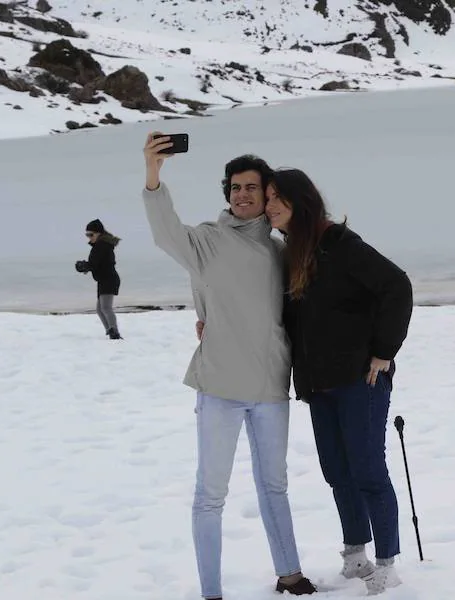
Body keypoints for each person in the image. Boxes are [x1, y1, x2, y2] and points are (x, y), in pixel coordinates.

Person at [140, 133, 316, 599]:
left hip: (271, 385)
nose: (242, 194)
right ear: (227, 192)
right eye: (235, 187)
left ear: (267, 196)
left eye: (252, 187)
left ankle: (290, 573)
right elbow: (164, 231)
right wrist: (154, 174)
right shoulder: (205, 241)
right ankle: (211, 591)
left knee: (274, 486)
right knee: (210, 495)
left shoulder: (282, 251)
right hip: (219, 384)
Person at [266, 168, 413, 595]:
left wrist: (384, 353)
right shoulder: (292, 250)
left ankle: (387, 563)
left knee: (367, 470)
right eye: (269, 197)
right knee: (337, 472)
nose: (271, 205)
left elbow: (396, 286)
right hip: (318, 383)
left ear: (302, 201)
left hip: (359, 380)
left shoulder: (339, 243)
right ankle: (355, 556)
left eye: (281, 198)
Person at [75, 219, 122, 339]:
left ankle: (114, 332)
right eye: (87, 235)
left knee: (105, 308)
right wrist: (86, 267)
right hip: (104, 279)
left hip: (109, 279)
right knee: (100, 309)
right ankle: (110, 331)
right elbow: (96, 264)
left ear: (99, 233)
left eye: (91, 234)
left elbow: (96, 263)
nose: (89, 237)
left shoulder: (102, 245)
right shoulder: (100, 245)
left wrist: (86, 266)